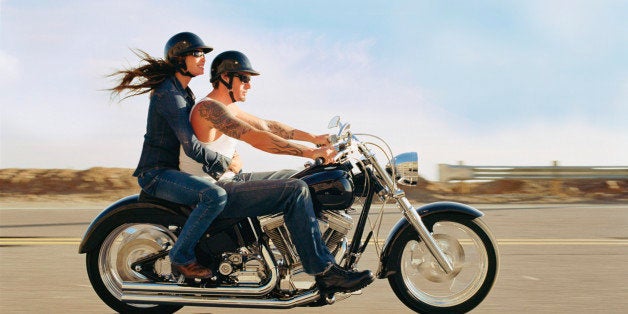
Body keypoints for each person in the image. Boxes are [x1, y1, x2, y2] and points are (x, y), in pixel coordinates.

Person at [178, 50, 375, 294]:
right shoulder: (209, 109)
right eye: (244, 78)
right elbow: (259, 139)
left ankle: (297, 250)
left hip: (228, 179)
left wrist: (314, 138)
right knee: (296, 190)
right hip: (211, 188)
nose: (249, 84)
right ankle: (324, 270)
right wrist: (310, 153)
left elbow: (269, 126)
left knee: (297, 177)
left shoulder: (227, 107)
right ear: (226, 78)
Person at [108, 32, 230, 279]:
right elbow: (191, 147)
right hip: (157, 174)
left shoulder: (185, 94)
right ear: (178, 59)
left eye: (204, 54)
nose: (203, 59)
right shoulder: (169, 95)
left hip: (173, 171)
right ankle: (181, 257)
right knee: (213, 196)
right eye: (196, 54)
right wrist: (223, 163)